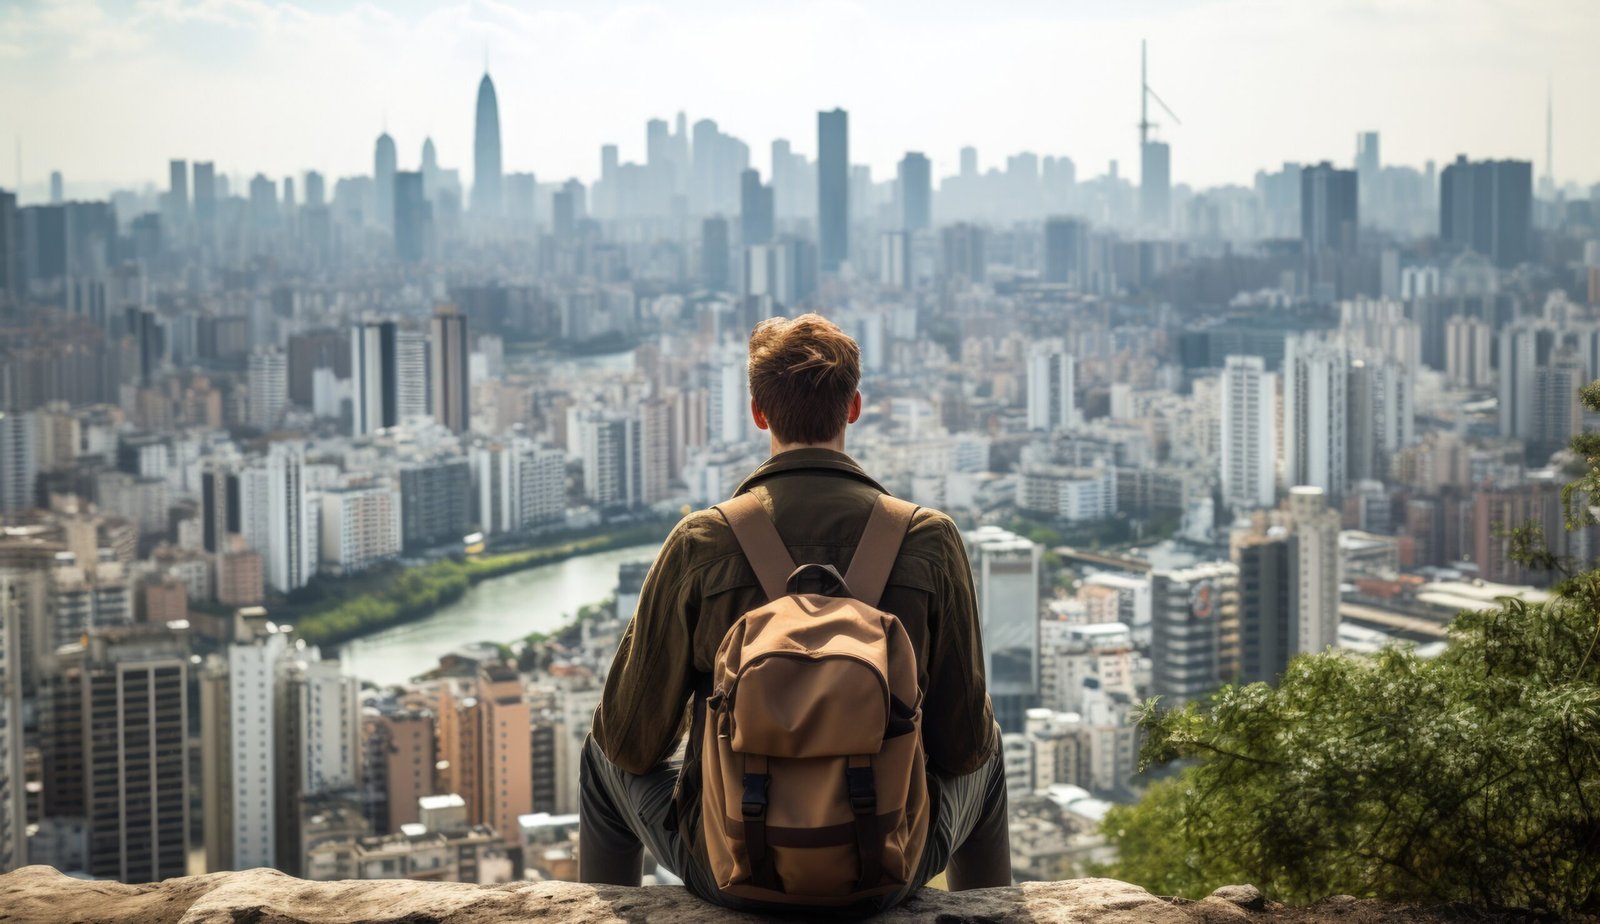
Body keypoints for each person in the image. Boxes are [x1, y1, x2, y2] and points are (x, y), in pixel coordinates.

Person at [579, 313, 1009, 912]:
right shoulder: (928, 540)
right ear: (854, 407)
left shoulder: (701, 542)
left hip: (728, 866)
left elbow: (629, 744)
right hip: (889, 866)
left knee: (600, 756)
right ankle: (989, 910)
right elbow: (962, 747)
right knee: (990, 751)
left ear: (759, 413)